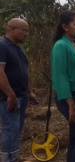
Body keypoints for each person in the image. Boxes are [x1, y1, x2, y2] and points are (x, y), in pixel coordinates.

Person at [51, 11, 75, 162]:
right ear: (65, 27)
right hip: (70, 97)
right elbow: (60, 76)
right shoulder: (61, 46)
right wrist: (71, 105)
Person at [0, 18, 38, 162]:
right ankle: (8, 159)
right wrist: (10, 94)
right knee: (10, 128)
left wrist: (29, 92)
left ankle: (14, 156)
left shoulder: (19, 48)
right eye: (24, 30)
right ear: (12, 28)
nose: (26, 34)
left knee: (17, 129)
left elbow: (23, 72)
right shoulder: (2, 45)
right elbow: (0, 72)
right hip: (8, 97)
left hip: (22, 95)